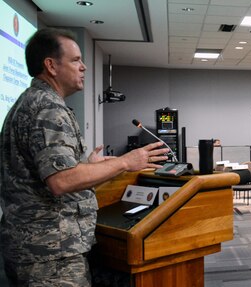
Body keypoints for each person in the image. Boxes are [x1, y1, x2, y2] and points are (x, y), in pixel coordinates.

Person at [0, 28, 169, 286]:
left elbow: (39, 173)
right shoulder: (48, 108)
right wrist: (125, 162)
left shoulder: (28, 101)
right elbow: (62, 181)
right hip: (51, 255)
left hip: (31, 248)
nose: (84, 67)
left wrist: (87, 167)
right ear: (51, 66)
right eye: (76, 60)